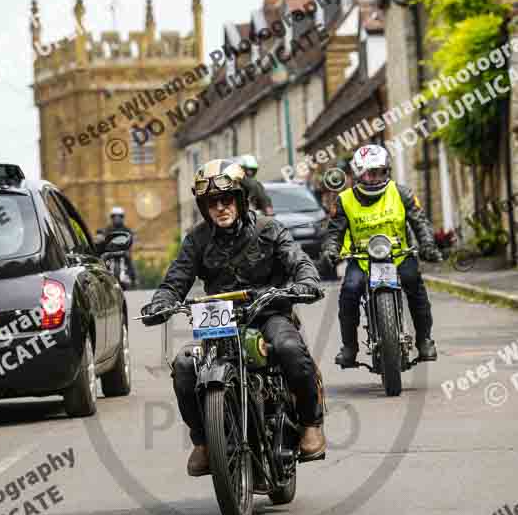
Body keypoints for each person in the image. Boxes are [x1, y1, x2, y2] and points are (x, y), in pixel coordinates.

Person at [143, 159, 326, 476]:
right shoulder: (197, 240)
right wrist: (162, 302)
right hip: (220, 318)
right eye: (212, 202)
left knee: (289, 349)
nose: (220, 207)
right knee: (186, 366)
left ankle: (311, 424)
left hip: (268, 311)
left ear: (240, 200)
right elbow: (175, 281)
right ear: (204, 207)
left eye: (226, 199)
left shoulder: (270, 230)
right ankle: (203, 441)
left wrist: (305, 281)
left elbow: (298, 261)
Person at [320, 144, 443, 368]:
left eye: (378, 172)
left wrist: (427, 245)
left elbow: (420, 222)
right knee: (349, 291)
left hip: (398, 255)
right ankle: (349, 348)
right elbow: (334, 233)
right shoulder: (344, 200)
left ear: (387, 171)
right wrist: (330, 251)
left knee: (415, 285)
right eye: (367, 173)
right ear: (357, 174)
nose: (373, 178)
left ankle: (424, 340)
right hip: (363, 259)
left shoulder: (402, 193)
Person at [104, 206, 137, 287]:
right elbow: (103, 238)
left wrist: (130, 244)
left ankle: (133, 279)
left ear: (122, 218)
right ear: (112, 218)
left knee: (129, 260)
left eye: (119, 217)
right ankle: (103, 278)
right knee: (103, 261)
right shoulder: (108, 229)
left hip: (123, 250)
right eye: (115, 217)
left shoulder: (126, 229)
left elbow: (131, 238)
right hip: (111, 251)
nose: (117, 219)